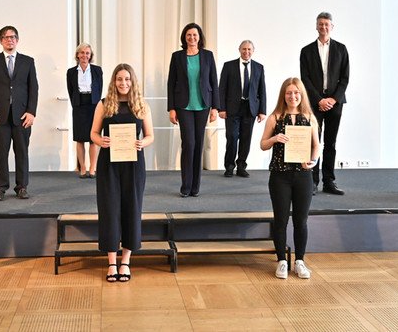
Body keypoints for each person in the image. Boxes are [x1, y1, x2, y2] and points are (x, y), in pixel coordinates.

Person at [90, 63, 155, 282]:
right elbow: (93, 133)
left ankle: (125, 261)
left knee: (131, 209)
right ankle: (111, 262)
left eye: (127, 79)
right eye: (119, 79)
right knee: (109, 210)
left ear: (132, 81)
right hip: (109, 163)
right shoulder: (104, 104)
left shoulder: (141, 105)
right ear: (113, 81)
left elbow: (150, 136)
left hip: (134, 165)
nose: (123, 83)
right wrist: (102, 141)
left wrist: (141, 143)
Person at [260, 77, 320, 279]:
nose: (292, 96)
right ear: (283, 95)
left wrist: (313, 160)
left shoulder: (310, 117)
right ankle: (282, 261)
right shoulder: (275, 117)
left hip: (303, 175)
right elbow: (263, 145)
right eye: (288, 92)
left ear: (301, 94)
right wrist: (274, 139)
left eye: (296, 92)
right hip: (280, 175)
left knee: (301, 220)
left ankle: (300, 261)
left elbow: (316, 145)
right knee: (281, 220)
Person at [0, 25, 39, 201]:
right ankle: (0, 188)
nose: (10, 40)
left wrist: (31, 112)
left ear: (18, 40)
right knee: (0, 153)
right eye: (6, 37)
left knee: (22, 152)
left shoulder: (28, 62)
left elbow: (33, 88)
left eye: (13, 37)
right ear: (0, 41)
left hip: (22, 116)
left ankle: (22, 186)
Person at [299, 12, 349, 195]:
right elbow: (305, 79)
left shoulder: (341, 49)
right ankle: (312, 181)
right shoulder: (306, 51)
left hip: (335, 103)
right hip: (314, 103)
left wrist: (332, 99)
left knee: (331, 142)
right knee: (313, 142)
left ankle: (329, 181)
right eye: (320, 24)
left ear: (332, 27)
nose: (324, 27)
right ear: (316, 26)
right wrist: (319, 100)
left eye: (327, 24)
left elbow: (345, 78)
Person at [167, 22, 219, 197]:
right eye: (189, 35)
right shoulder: (177, 57)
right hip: (184, 106)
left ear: (199, 37)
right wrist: (171, 108)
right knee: (188, 143)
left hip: (203, 105)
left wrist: (215, 108)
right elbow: (171, 83)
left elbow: (214, 82)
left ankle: (196, 186)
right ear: (184, 37)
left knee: (198, 145)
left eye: (195, 35)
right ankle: (186, 185)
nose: (192, 38)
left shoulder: (208, 56)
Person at [218, 40, 266, 178]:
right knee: (232, 137)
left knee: (246, 138)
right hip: (233, 108)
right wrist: (221, 108)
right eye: (244, 49)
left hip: (250, 109)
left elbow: (262, 90)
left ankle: (241, 166)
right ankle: (229, 166)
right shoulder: (229, 66)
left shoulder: (259, 67)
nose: (246, 52)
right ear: (239, 50)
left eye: (249, 49)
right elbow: (222, 88)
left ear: (253, 51)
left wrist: (262, 111)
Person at [66, 43, 103, 178]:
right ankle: (82, 168)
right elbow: (70, 90)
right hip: (79, 105)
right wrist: (75, 104)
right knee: (80, 139)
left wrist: (98, 105)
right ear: (77, 55)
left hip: (93, 105)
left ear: (90, 56)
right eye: (82, 53)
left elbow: (99, 88)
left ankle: (92, 168)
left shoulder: (97, 70)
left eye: (87, 53)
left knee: (93, 138)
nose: (84, 55)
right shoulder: (71, 72)